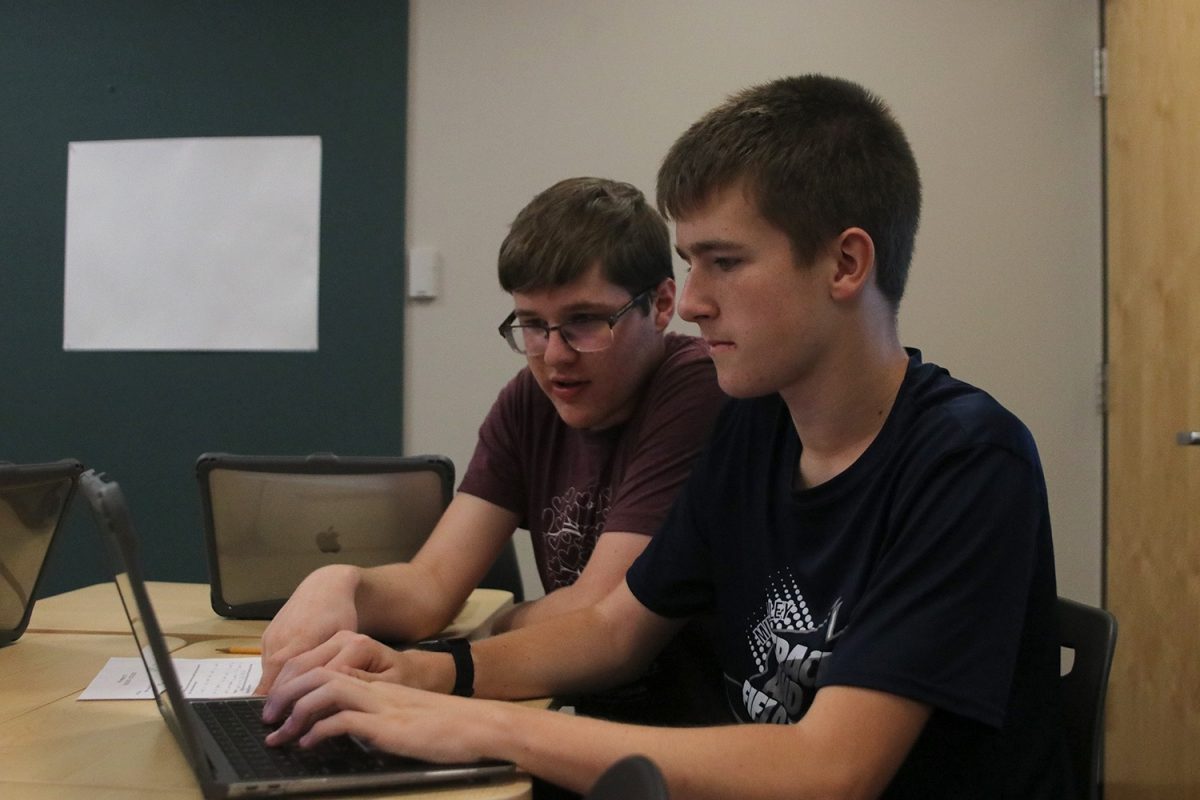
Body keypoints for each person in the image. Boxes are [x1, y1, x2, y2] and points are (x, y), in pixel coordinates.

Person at [260, 75, 1074, 799]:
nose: (688, 303)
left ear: (844, 264)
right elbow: (616, 631)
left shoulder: (967, 461)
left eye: (722, 262)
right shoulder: (756, 428)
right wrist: (423, 674)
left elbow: (831, 770)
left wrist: (477, 725)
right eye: (689, 263)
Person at [255, 177, 728, 718]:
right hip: (581, 724)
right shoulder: (530, 401)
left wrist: (502, 621)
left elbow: (598, 611)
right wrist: (340, 583)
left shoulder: (696, 389)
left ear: (662, 304)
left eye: (584, 322)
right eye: (532, 324)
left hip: (690, 739)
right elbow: (431, 586)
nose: (554, 355)